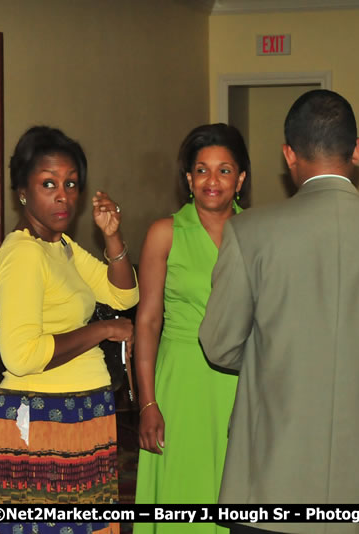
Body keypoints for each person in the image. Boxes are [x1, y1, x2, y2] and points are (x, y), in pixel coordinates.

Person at [199, 89, 359, 534]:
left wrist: (274, 363)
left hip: (271, 468)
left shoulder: (249, 233)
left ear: (289, 154)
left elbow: (219, 345)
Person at [0, 126, 138, 534]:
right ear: (22, 191)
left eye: (71, 184)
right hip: (40, 416)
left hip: (83, 411)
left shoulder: (61, 247)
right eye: (48, 183)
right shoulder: (22, 255)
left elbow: (122, 295)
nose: (63, 195)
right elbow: (21, 355)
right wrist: (103, 329)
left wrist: (112, 237)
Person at [133, 123, 250, 534]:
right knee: (186, 493)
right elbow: (147, 321)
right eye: (201, 170)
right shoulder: (165, 233)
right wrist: (147, 403)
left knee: (235, 492)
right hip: (182, 379)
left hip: (240, 381)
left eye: (224, 170)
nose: (212, 181)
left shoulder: (257, 233)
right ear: (188, 179)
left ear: (240, 179)